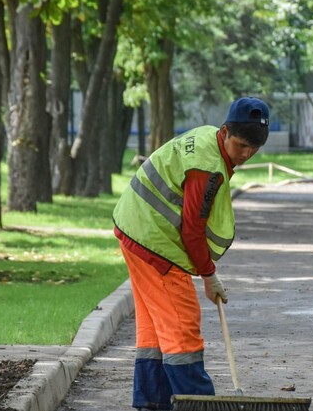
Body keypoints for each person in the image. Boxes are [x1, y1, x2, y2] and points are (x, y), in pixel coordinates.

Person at [112, 97, 270, 410]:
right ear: (225, 132)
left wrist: (209, 272)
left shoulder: (207, 139)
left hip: (135, 229)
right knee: (182, 328)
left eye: (254, 149)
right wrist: (209, 276)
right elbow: (192, 231)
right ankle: (198, 405)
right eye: (241, 146)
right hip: (154, 244)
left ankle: (151, 404)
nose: (247, 154)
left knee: (155, 331)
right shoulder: (207, 168)